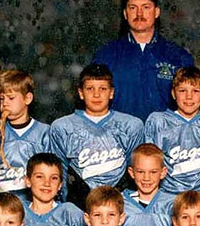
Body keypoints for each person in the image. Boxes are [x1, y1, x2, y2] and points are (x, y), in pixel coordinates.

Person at [93, 0, 194, 122]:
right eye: (133, 7)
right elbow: (91, 107)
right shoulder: (106, 56)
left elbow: (195, 110)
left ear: (157, 12)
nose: (139, 13)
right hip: (119, 140)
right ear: (125, 13)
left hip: (165, 141)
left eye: (146, 7)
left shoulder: (178, 57)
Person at [50, 63, 143, 210]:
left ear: (111, 92)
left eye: (103, 89)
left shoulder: (131, 125)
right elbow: (59, 172)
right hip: (80, 205)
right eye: (90, 89)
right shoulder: (63, 127)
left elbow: (137, 170)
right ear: (81, 93)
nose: (96, 94)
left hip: (121, 204)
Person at [145, 66, 200, 217]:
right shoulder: (158, 122)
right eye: (182, 91)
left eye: (195, 91)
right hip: (172, 201)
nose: (189, 97)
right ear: (173, 93)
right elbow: (150, 166)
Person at [0, 70, 50, 204]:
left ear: (28, 98)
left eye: (11, 98)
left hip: (31, 208)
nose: (5, 103)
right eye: (2, 99)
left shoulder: (44, 133)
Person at [120, 143, 175, 226]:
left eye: (153, 172)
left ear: (163, 172)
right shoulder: (119, 203)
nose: (146, 178)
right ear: (131, 172)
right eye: (140, 172)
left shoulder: (173, 204)